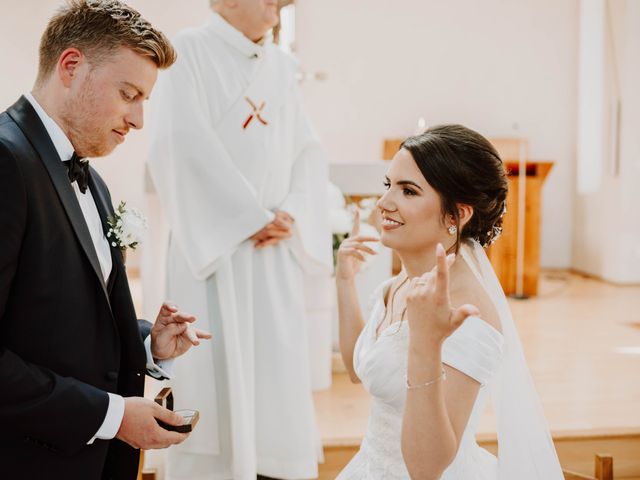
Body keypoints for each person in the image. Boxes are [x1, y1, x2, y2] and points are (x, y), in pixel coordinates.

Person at [0, 1, 211, 479]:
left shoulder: (90, 180)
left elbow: (53, 319)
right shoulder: (6, 162)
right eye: (128, 93)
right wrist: (112, 416)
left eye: (144, 101)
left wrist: (147, 344)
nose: (138, 120)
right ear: (71, 66)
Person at [145, 0, 332, 479]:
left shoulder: (283, 66)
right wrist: (247, 217)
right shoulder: (187, 52)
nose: (280, 3)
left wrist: (290, 210)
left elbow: (307, 150)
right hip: (214, 248)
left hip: (271, 251)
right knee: (214, 374)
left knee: (273, 379)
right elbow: (178, 143)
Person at [335, 124, 564, 479]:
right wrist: (345, 281)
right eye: (388, 185)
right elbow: (356, 369)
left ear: (457, 215)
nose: (384, 203)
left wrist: (425, 344)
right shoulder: (404, 280)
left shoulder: (467, 313)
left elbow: (426, 468)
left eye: (408, 191)